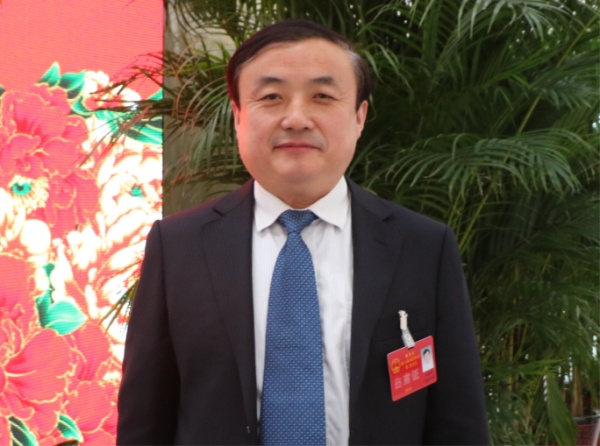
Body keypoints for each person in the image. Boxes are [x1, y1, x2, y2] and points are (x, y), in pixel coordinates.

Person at [117, 19, 490, 445]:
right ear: (238, 116)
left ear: (359, 117)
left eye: (322, 96)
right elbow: (145, 422)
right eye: (271, 97)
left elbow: (458, 423)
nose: (296, 118)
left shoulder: (422, 246)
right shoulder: (179, 246)